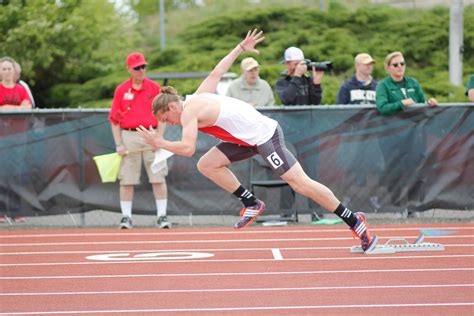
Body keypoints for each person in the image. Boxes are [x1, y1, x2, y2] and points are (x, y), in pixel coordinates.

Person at [137, 29, 378, 252]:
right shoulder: (197, 97)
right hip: (245, 140)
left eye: (165, 118)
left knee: (300, 183)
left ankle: (353, 220)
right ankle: (251, 202)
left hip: (265, 136)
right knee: (207, 164)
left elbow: (188, 148)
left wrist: (159, 142)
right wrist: (240, 47)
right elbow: (217, 72)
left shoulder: (189, 111)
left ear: (171, 106)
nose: (168, 123)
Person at [109, 52, 170, 229]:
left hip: (151, 134)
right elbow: (114, 119)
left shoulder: (154, 87)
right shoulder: (121, 90)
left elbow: (162, 115)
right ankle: (126, 217)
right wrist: (118, 143)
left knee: (158, 176)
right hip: (129, 135)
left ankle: (162, 216)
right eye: (137, 67)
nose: (141, 70)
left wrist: (159, 137)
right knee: (127, 178)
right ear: (129, 69)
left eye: (143, 66)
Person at [375, 51, 437, 211]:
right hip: (392, 137)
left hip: (414, 135)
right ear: (388, 67)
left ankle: (412, 205)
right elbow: (382, 107)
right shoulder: (383, 85)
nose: (400, 67)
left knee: (416, 169)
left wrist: (429, 102)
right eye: (395, 65)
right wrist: (401, 103)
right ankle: (396, 205)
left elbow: (421, 102)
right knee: (394, 170)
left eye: (402, 64)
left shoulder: (412, 83)